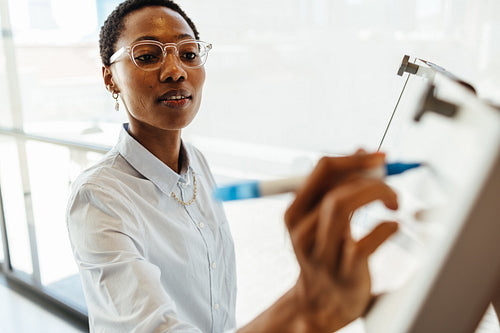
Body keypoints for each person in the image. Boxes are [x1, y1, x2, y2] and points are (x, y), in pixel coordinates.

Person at [66, 0, 399, 332]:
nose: (175, 71)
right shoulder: (98, 198)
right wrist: (308, 306)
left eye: (189, 54)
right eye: (148, 56)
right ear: (110, 78)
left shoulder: (197, 162)